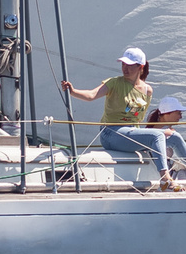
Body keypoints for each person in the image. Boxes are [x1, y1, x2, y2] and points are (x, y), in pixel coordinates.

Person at [63, 48, 177, 182]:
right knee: (158, 135)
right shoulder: (114, 83)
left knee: (174, 136)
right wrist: (73, 91)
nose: (125, 68)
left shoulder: (147, 90)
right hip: (111, 133)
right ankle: (165, 178)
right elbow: (91, 95)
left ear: (140, 67)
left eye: (129, 65)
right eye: (123, 64)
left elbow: (137, 120)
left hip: (131, 133)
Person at [143, 97, 186, 183]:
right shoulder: (170, 133)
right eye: (178, 113)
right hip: (164, 172)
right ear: (167, 113)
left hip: (161, 170)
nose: (181, 116)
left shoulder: (151, 130)